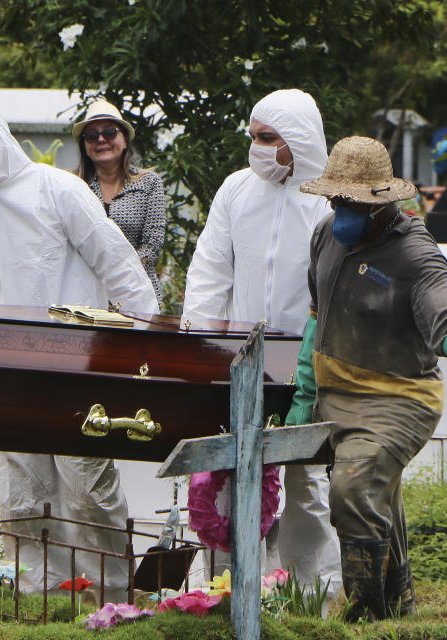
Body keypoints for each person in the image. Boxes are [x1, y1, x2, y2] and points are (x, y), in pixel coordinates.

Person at [0, 94, 159, 597]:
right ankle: (38, 602)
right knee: (21, 497)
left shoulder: (57, 190)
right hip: (0, 377)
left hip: (75, 372)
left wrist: (148, 342)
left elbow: (117, 263)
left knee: (89, 491)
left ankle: (115, 602)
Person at [289, 136, 447, 620]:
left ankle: (366, 614)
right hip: (335, 392)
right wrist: (304, 392)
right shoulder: (327, 235)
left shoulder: (415, 255)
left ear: (382, 202)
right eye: (335, 199)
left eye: (352, 202)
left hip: (397, 397)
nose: (340, 209)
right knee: (377, 491)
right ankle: (398, 600)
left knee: (353, 488)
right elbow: (316, 315)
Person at [182, 89, 341, 602]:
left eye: (267, 138)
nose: (256, 148)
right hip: (239, 362)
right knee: (228, 477)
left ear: (296, 141)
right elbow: (209, 270)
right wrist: (202, 348)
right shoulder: (236, 190)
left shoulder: (330, 200)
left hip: (308, 365)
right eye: (252, 137)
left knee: (305, 481)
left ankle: (306, 596)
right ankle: (230, 591)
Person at [73, 100, 166, 307]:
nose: (100, 139)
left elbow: (152, 246)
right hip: (85, 299)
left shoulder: (149, 183)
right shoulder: (72, 186)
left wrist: (116, 274)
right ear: (84, 145)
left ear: (125, 140)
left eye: (109, 132)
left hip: (139, 296)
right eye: (91, 135)